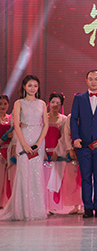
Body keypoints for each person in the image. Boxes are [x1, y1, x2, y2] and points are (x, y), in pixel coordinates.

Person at [0, 75, 49, 221]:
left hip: (38, 139)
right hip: (23, 138)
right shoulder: (18, 103)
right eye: (30, 85)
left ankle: (37, 210)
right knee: (24, 173)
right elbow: (16, 125)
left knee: (36, 174)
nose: (33, 88)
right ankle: (23, 210)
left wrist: (39, 142)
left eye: (35, 86)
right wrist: (25, 144)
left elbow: (46, 125)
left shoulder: (41, 103)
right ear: (24, 87)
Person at [70, 70, 97, 219]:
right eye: (91, 79)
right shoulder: (79, 98)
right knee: (86, 177)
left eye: (96, 79)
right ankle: (88, 207)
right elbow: (73, 119)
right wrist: (76, 138)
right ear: (86, 80)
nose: (93, 81)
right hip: (83, 145)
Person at [0, 95, 13, 208]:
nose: (3, 106)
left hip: (10, 150)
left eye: (5, 103)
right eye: (0, 104)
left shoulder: (11, 119)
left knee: (9, 178)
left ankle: (8, 202)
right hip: (0, 150)